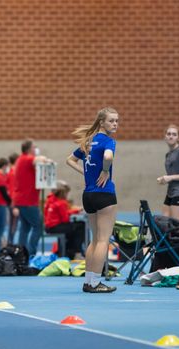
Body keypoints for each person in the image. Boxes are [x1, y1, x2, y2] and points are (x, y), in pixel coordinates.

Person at [66, 107, 119, 293]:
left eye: (117, 121)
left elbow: (69, 160)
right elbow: (108, 156)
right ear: (102, 122)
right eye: (111, 120)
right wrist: (105, 170)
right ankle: (96, 282)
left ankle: (88, 281)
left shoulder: (88, 141)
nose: (115, 124)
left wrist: (86, 173)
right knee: (103, 240)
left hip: (88, 195)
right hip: (104, 194)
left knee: (94, 240)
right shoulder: (109, 141)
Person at [12, 140, 51, 256]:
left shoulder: (21, 159)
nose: (36, 149)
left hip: (23, 200)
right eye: (34, 147)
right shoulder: (26, 158)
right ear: (29, 149)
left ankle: (21, 253)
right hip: (27, 201)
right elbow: (39, 160)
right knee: (38, 225)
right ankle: (31, 252)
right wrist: (45, 158)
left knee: (25, 228)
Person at [44, 180, 85, 259]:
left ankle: (68, 251)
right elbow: (65, 219)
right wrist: (76, 210)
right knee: (81, 226)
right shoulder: (61, 203)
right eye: (66, 193)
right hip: (55, 227)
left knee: (73, 228)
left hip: (48, 227)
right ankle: (77, 252)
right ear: (62, 193)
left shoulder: (49, 200)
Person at [6, 152, 19, 244]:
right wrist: (14, 205)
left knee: (13, 225)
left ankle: (10, 242)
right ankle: (10, 244)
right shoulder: (13, 173)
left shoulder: (11, 172)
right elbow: (12, 189)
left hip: (13, 201)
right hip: (14, 202)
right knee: (13, 226)